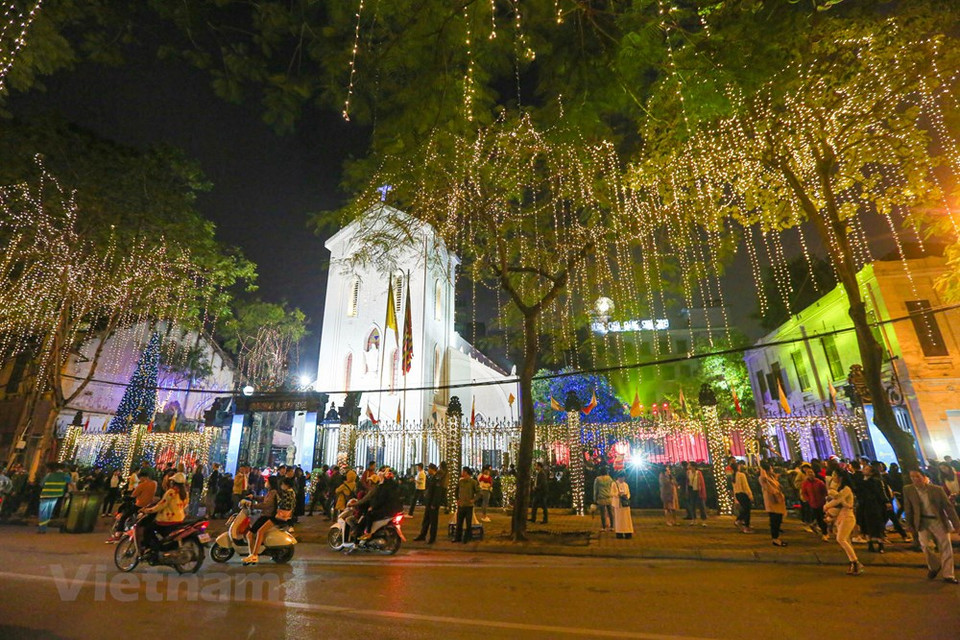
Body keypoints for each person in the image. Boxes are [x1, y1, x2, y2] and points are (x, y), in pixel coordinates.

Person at [903, 469, 960, 584]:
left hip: (937, 520)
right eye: (912, 477)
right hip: (921, 521)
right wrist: (909, 524)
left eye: (917, 477)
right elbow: (908, 508)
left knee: (945, 546)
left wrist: (957, 524)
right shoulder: (908, 490)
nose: (915, 479)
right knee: (925, 546)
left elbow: (948, 507)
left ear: (924, 477)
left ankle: (948, 574)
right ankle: (934, 566)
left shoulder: (937, 490)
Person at [244, 475, 296, 565]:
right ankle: (252, 554)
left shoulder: (277, 492)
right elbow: (265, 499)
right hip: (273, 515)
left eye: (267, 481)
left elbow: (267, 504)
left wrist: (252, 506)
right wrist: (254, 497)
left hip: (272, 516)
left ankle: (254, 555)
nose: (265, 483)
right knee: (254, 533)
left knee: (258, 532)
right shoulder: (273, 492)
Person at [140, 472, 188, 554]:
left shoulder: (171, 492)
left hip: (167, 520)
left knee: (148, 529)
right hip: (180, 519)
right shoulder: (185, 493)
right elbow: (184, 506)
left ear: (173, 482)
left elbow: (161, 505)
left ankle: (154, 549)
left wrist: (147, 510)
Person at [825, 471, 862, 575]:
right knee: (846, 540)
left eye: (835, 475)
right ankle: (853, 563)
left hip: (848, 517)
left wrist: (826, 507)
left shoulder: (846, 489)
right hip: (841, 517)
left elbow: (837, 501)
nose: (833, 477)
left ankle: (855, 562)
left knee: (841, 538)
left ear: (841, 477)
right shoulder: (839, 490)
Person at [860, 462, 890, 553]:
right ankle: (870, 544)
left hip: (874, 504)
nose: (864, 470)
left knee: (877, 524)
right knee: (867, 524)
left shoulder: (876, 481)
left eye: (866, 469)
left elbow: (881, 492)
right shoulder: (862, 480)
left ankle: (880, 544)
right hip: (865, 505)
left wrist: (886, 502)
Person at [37, 463, 74, 533]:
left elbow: (42, 484)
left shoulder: (49, 475)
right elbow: (72, 484)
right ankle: (44, 527)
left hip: (45, 495)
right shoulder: (65, 475)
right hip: (56, 495)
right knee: (49, 511)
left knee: (43, 512)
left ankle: (42, 529)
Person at [759, 461, 786, 547]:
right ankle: (775, 538)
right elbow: (765, 481)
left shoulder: (772, 477)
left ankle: (776, 537)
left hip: (777, 500)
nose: (772, 469)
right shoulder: (763, 478)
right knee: (775, 520)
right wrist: (762, 468)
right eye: (771, 468)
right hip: (772, 500)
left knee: (778, 519)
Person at [414, 464, 443, 544]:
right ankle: (422, 535)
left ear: (432, 469)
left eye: (429, 469)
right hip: (429, 503)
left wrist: (434, 503)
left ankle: (432, 538)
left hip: (433, 504)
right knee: (426, 520)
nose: (428, 471)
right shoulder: (432, 478)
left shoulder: (437, 479)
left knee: (433, 522)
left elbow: (437, 493)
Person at [800, 464, 829, 541]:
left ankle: (825, 533)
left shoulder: (819, 482)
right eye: (808, 473)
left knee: (822, 518)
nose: (810, 474)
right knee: (818, 518)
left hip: (821, 503)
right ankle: (822, 531)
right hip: (812, 503)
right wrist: (808, 499)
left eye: (812, 473)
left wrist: (824, 499)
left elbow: (824, 491)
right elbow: (804, 492)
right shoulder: (805, 484)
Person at [455, 466, 480, 543]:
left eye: (463, 472)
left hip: (469, 505)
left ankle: (466, 538)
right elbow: (456, 490)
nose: (462, 473)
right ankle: (457, 538)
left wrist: (474, 500)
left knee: (468, 523)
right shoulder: (461, 482)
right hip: (461, 504)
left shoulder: (473, 482)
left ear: (466, 473)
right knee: (459, 522)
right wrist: (457, 499)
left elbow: (479, 492)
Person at [733, 462, 754, 533]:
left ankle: (739, 521)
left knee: (745, 510)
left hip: (738, 494)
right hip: (743, 494)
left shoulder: (733, 476)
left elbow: (734, 488)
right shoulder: (742, 475)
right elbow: (745, 486)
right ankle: (745, 526)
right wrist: (750, 495)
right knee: (747, 510)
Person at [611, 472, 633, 539]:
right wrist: (618, 494)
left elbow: (628, 493)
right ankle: (619, 532)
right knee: (619, 519)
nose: (622, 479)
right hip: (618, 504)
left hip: (625, 504)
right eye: (621, 477)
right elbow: (612, 493)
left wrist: (626, 497)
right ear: (618, 477)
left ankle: (628, 532)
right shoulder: (614, 484)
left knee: (627, 519)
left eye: (623, 477)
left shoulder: (626, 485)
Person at [593, 466, 614, 531]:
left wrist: (595, 498)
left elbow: (595, 489)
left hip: (601, 497)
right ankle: (612, 526)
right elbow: (611, 487)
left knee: (602, 513)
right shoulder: (610, 479)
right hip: (609, 497)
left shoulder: (598, 479)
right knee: (610, 512)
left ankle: (604, 527)